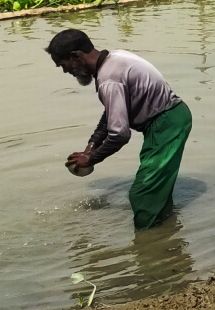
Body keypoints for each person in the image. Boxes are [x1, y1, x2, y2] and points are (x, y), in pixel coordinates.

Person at [47, 29, 192, 229]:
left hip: (167, 123)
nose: (65, 71)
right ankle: (168, 230)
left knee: (143, 193)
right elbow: (110, 114)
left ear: (76, 56)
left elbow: (120, 134)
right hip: (168, 118)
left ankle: (149, 242)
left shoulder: (109, 79)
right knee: (156, 189)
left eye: (63, 65)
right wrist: (91, 145)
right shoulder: (114, 58)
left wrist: (92, 159)